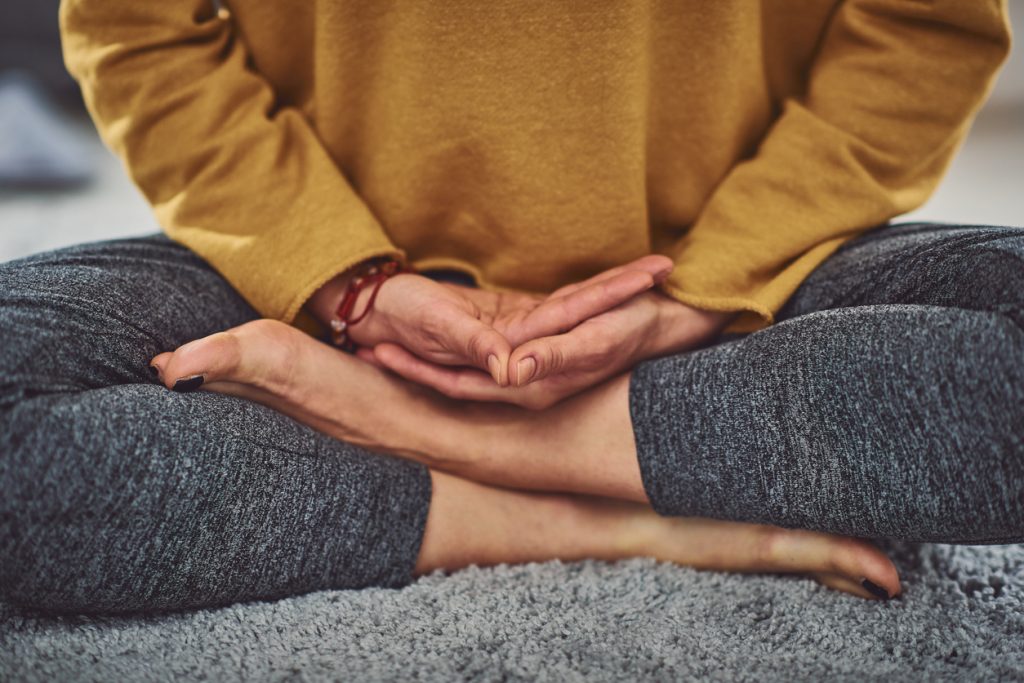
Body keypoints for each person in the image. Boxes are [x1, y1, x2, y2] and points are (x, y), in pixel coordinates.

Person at [0, 1, 1018, 613]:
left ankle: (424, 434)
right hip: (318, 280)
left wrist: (709, 288)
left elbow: (921, 28)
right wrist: (341, 279)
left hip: (739, 288)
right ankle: (619, 509)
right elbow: (137, 26)